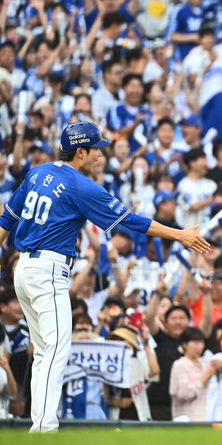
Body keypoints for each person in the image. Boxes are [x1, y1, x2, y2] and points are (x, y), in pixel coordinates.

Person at [0, 121, 210, 432]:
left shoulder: (38, 172)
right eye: (96, 148)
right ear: (80, 151)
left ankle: (40, 424)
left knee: (46, 350)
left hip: (24, 270)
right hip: (48, 271)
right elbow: (133, 221)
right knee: (56, 349)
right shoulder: (80, 185)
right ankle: (44, 429)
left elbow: (7, 217)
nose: (100, 154)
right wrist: (178, 234)